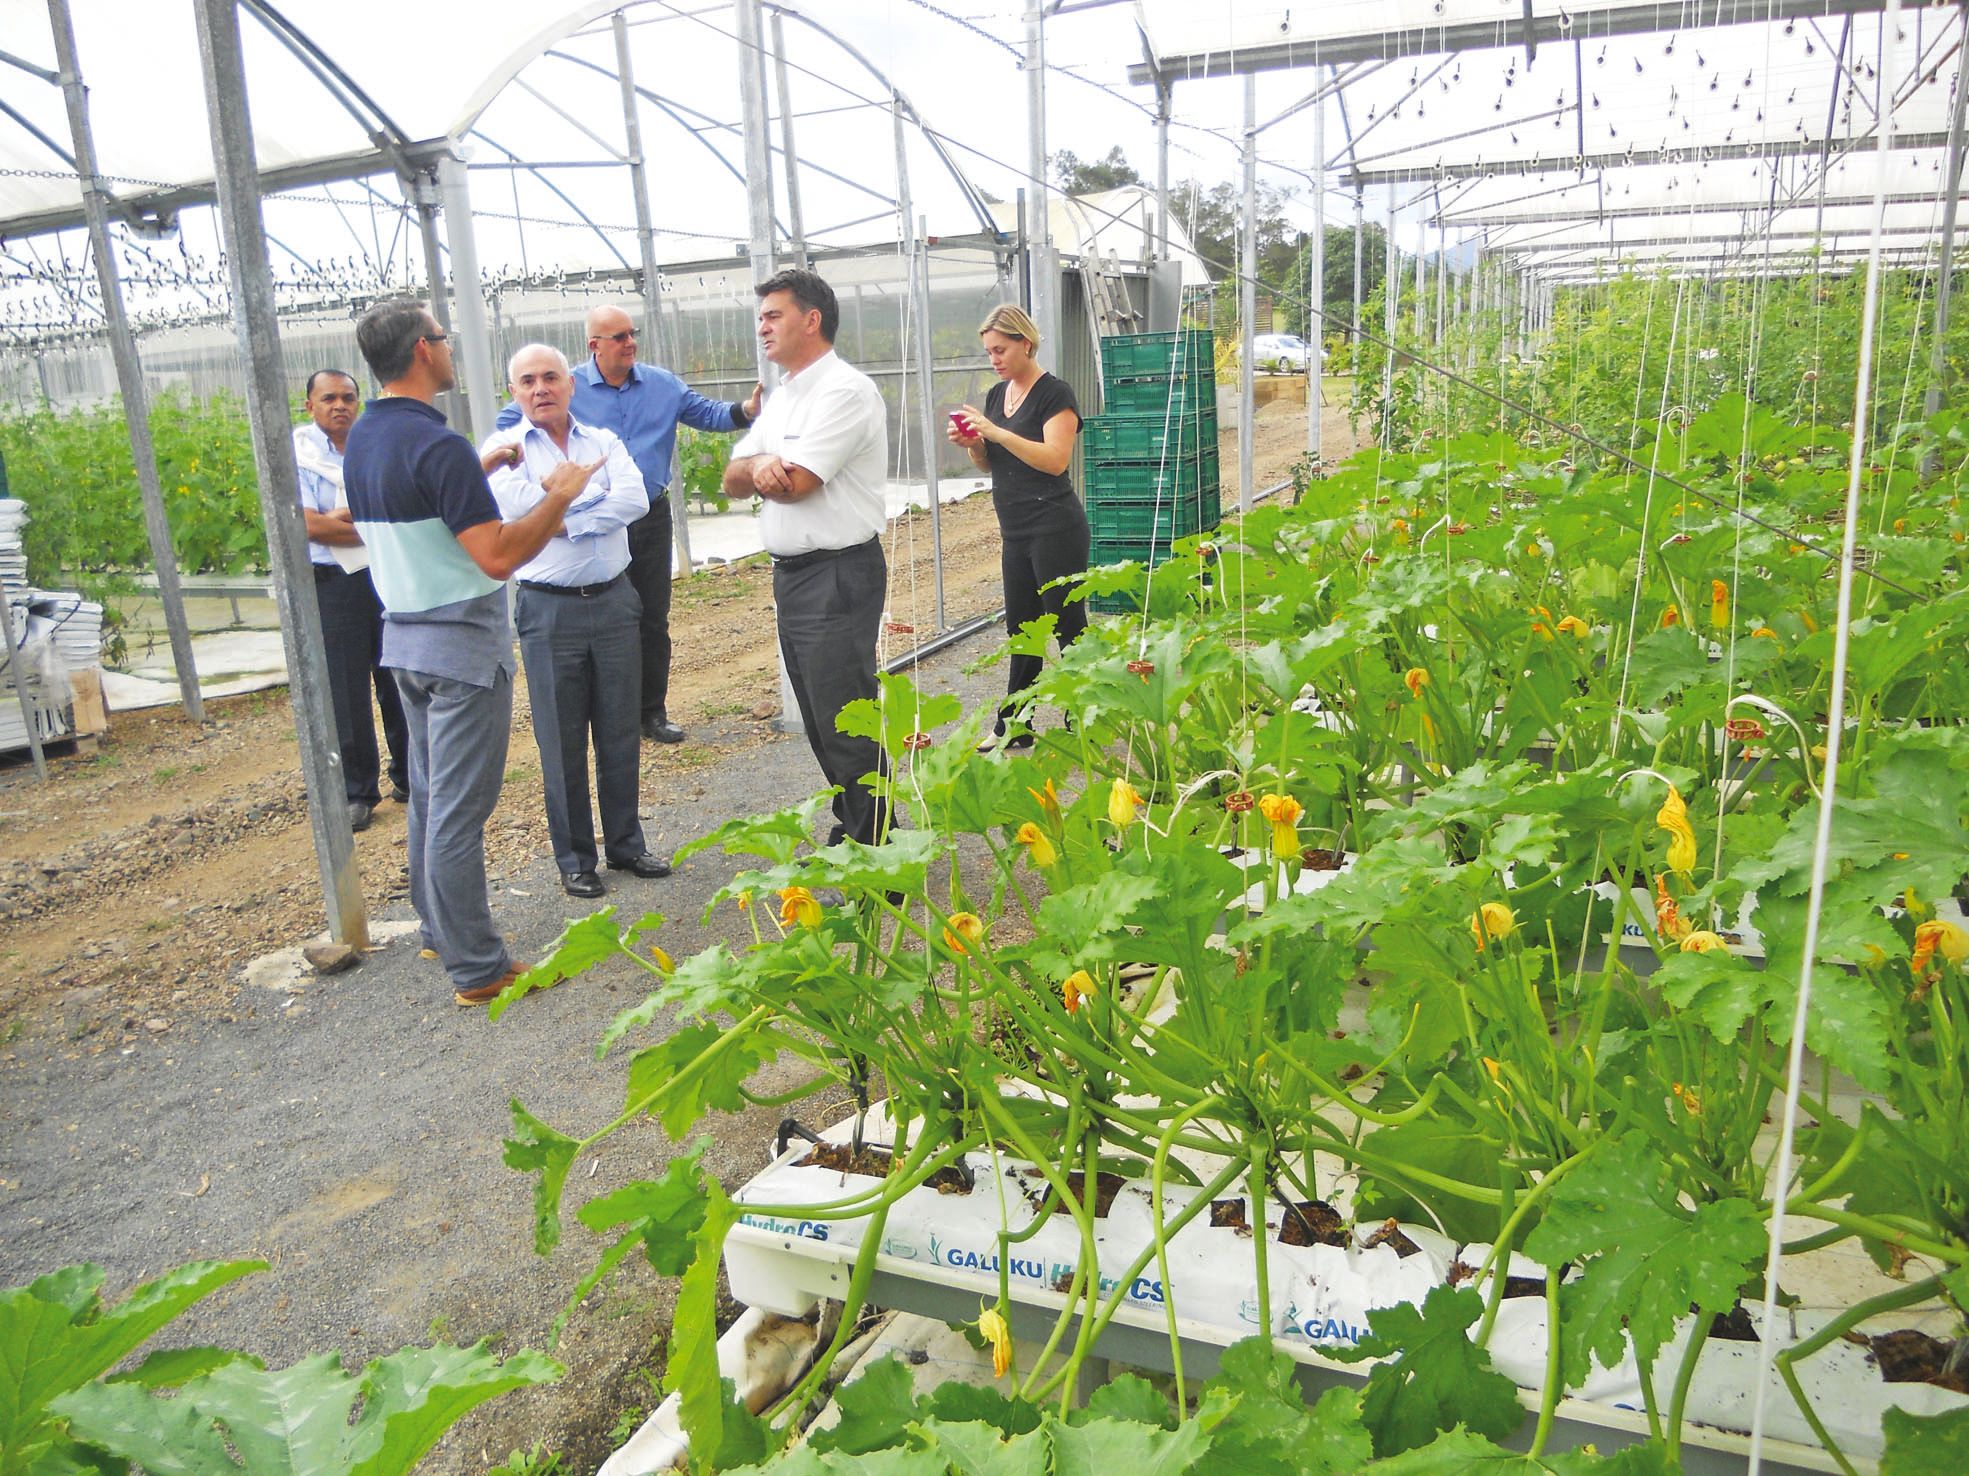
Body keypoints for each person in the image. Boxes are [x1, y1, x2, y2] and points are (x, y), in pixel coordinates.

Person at [343, 299, 597, 1008]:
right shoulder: (439, 445)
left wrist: (477, 467)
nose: (450, 347)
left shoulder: (366, 436)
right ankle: (478, 967)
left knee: (430, 798)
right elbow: (496, 556)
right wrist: (559, 496)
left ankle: (439, 928)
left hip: (405, 638)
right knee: (459, 812)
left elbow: (417, 513)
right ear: (423, 351)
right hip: (461, 649)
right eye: (442, 337)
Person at [496, 303, 762, 746]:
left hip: (649, 516)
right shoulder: (564, 385)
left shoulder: (661, 385)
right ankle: (608, 713)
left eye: (632, 333)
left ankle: (651, 711)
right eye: (619, 336)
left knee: (652, 617)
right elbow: (512, 422)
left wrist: (747, 411)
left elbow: (707, 414)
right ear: (594, 346)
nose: (630, 342)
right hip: (594, 523)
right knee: (606, 616)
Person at [482, 345, 672, 899]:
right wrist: (584, 504)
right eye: (527, 381)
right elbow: (518, 512)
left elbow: (634, 500)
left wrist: (563, 512)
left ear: (570, 385)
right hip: (549, 610)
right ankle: (575, 860)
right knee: (561, 740)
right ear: (514, 392)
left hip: (614, 601)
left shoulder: (603, 441)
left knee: (620, 729)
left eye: (550, 377)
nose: (540, 388)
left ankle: (626, 844)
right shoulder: (501, 451)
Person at [721, 267, 892, 848]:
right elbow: (731, 479)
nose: (762, 328)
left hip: (836, 574)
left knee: (845, 718)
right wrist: (758, 464)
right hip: (795, 578)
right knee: (821, 719)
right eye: (760, 318)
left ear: (811, 319)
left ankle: (879, 854)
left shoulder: (844, 391)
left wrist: (769, 468)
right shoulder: (784, 396)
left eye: (774, 315)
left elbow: (798, 484)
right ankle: (860, 828)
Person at [949, 303, 1089, 750]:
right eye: (989, 352)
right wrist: (974, 444)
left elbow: (1055, 460)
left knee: (1068, 624)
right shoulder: (997, 396)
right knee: (1022, 629)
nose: (994, 359)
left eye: (1001, 350)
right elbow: (990, 462)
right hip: (1015, 531)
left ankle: (1085, 710)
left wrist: (996, 432)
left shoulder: (1055, 394)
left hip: (1056, 527)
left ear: (1025, 344)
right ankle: (1016, 723)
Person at [292, 369, 409, 829]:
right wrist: (365, 522)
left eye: (347, 397)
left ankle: (410, 776)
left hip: (384, 573)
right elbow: (305, 524)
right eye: (328, 399)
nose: (339, 406)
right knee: (346, 688)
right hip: (333, 582)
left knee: (398, 675)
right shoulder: (298, 455)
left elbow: (396, 508)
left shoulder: (372, 447)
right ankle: (358, 791)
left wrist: (341, 519)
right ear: (310, 406)